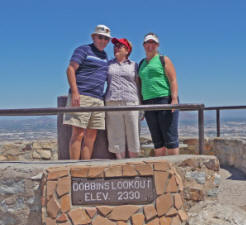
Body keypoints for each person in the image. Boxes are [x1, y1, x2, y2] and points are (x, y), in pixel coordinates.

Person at [63, 24, 111, 160]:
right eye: (100, 37)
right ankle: (73, 168)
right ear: (94, 37)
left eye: (106, 39)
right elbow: (70, 69)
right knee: (77, 134)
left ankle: (85, 168)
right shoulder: (83, 50)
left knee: (91, 136)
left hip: (98, 99)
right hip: (82, 96)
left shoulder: (105, 56)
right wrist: (75, 92)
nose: (103, 41)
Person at [138, 32, 179, 156]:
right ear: (143, 45)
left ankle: (173, 171)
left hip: (164, 100)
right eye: (148, 42)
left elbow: (173, 80)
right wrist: (141, 106)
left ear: (157, 45)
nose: (150, 45)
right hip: (148, 103)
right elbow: (140, 85)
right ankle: (160, 172)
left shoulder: (163, 59)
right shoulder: (141, 64)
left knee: (170, 139)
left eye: (153, 43)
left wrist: (174, 99)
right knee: (157, 140)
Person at [105, 38, 140, 159]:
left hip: (131, 102)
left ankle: (134, 167)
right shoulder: (108, 64)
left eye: (120, 46)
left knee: (133, 135)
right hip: (112, 102)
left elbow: (139, 85)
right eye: (115, 46)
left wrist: (142, 107)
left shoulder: (135, 65)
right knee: (115, 136)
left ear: (127, 50)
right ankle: (120, 165)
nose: (116, 47)